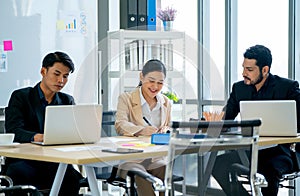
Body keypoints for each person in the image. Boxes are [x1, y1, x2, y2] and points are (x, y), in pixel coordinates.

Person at [212, 44, 300, 196]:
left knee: (270, 171)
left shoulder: (287, 87)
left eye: (249, 70)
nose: (244, 73)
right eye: (244, 68)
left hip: (282, 152)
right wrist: (215, 123)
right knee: (218, 165)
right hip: (251, 151)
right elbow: (226, 119)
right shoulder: (239, 88)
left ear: (265, 70)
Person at [5, 51, 83, 195]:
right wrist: (37, 137)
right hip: (25, 161)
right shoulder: (21, 97)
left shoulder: (67, 101)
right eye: (57, 74)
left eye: (65, 76)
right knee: (18, 174)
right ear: (43, 71)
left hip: (55, 162)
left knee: (72, 178)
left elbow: (72, 131)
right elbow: (13, 130)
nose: (61, 80)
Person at [115, 59, 171, 196]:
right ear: (141, 76)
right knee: (140, 173)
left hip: (156, 156)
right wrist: (142, 130)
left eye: (160, 83)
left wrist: (166, 130)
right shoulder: (126, 98)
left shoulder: (166, 102)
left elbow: (168, 125)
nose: (155, 86)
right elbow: (120, 125)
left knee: (165, 169)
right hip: (132, 158)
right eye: (151, 81)